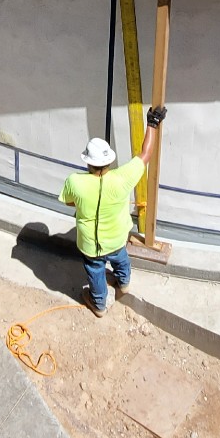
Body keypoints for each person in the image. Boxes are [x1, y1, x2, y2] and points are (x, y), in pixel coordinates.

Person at [60, 106, 164, 316]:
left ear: (88, 161)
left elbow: (70, 203)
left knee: (95, 270)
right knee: (121, 258)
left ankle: (99, 304)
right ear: (109, 161)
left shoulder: (75, 182)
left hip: (92, 245)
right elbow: (146, 154)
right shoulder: (123, 177)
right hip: (117, 238)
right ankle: (123, 283)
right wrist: (152, 123)